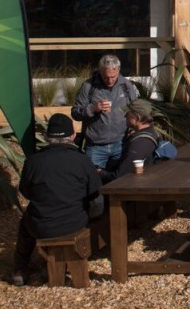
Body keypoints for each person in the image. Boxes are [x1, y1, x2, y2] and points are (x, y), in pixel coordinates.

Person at [12, 113, 101, 286]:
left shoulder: (33, 161)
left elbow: (25, 191)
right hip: (74, 223)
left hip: (41, 225)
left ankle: (20, 269)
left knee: (26, 224)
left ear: (46, 137)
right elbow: (95, 192)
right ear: (73, 136)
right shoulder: (82, 160)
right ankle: (50, 263)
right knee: (96, 208)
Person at [71, 54, 139, 170]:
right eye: (106, 77)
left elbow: (136, 109)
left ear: (118, 70)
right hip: (95, 147)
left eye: (113, 76)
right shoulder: (88, 86)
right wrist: (93, 108)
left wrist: (134, 130)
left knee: (120, 182)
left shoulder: (126, 86)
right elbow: (75, 113)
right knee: (94, 183)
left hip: (120, 144)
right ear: (100, 71)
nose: (110, 80)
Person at [98, 101, 160, 183]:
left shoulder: (140, 143)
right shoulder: (153, 133)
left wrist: (100, 173)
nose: (125, 116)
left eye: (127, 114)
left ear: (137, 118)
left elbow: (119, 176)